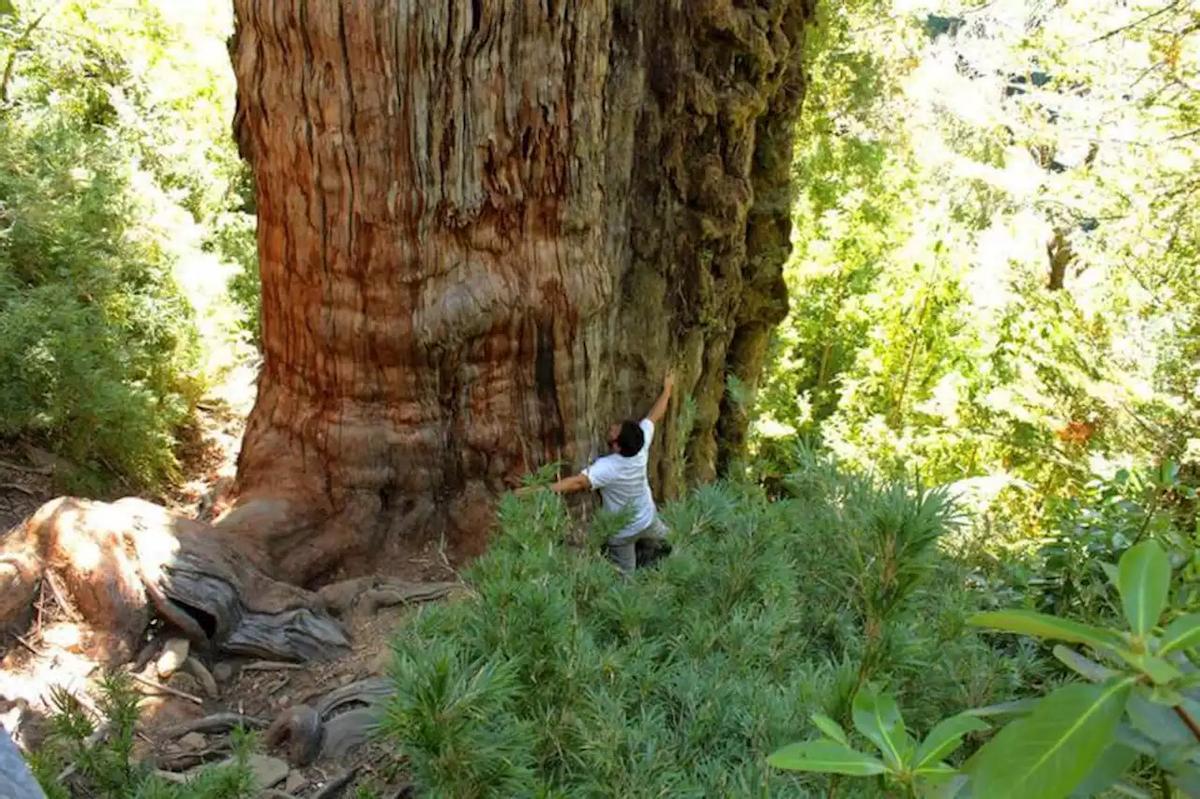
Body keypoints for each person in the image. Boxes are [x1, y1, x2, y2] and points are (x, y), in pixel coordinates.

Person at [528, 372, 675, 574]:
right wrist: (667, 390)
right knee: (676, 539)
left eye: (615, 431)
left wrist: (538, 489)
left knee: (626, 575)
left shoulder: (608, 468)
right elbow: (653, 417)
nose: (612, 427)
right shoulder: (640, 446)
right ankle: (683, 557)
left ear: (617, 447)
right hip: (648, 519)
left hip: (622, 532)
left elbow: (577, 483)